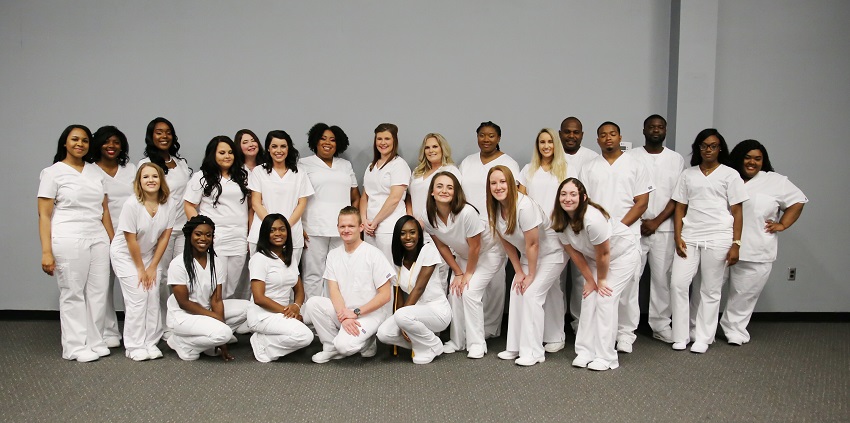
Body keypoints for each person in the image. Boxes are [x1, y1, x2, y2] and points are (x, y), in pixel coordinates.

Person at [38, 124, 114, 362]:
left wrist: (113, 241)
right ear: (65, 142)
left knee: (98, 291)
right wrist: (46, 252)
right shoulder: (52, 173)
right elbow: (44, 215)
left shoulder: (95, 171)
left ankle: (95, 340)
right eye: (75, 139)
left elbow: (104, 210)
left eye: (84, 141)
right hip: (68, 237)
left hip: (97, 236)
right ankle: (74, 346)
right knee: (73, 292)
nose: (80, 144)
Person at [720, 140, 807, 345]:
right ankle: (700, 330)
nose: (752, 162)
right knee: (707, 290)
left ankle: (735, 331)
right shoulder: (725, 176)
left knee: (745, 293)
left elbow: (798, 201)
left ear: (763, 161)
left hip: (756, 247)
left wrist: (782, 224)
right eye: (747, 157)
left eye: (758, 159)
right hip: (721, 244)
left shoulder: (775, 181)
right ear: (739, 158)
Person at [670, 129, 748, 354]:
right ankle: (681, 335)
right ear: (698, 148)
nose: (708, 149)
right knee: (678, 284)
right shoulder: (688, 174)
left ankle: (703, 337)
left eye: (713, 145)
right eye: (704, 145)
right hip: (690, 236)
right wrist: (678, 236)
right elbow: (680, 207)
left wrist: (737, 243)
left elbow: (737, 211)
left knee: (710, 289)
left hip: (718, 237)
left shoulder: (730, 175)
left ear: (720, 148)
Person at [578, 121, 652, 353]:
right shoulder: (589, 167)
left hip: (627, 235)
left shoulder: (636, 164)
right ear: (597, 140)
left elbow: (642, 203)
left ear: (620, 137)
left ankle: (626, 334)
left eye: (612, 134)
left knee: (629, 289)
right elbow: (583, 202)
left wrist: (617, 227)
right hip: (597, 237)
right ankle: (598, 337)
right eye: (603, 135)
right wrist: (601, 228)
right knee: (599, 287)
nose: (608, 138)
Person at [552, 178, 639, 371]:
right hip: (596, 259)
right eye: (563, 194)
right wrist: (590, 281)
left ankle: (607, 357)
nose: (568, 199)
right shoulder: (559, 220)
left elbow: (605, 253)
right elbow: (574, 253)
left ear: (583, 197)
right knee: (589, 297)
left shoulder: (592, 218)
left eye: (573, 194)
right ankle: (585, 351)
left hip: (622, 255)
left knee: (605, 299)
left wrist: (600, 281)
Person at [486, 166, 566, 366]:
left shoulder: (524, 206)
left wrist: (530, 275)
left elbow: (533, 243)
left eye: (503, 182)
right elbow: (506, 241)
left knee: (531, 294)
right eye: (494, 183)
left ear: (512, 184)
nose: (498, 187)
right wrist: (520, 272)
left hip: (550, 255)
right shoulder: (495, 208)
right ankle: (515, 347)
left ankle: (534, 352)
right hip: (528, 257)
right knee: (517, 291)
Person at [423, 172, 505, 359]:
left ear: (456, 192)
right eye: (440, 186)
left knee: (469, 292)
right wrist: (458, 272)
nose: (444, 190)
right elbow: (442, 246)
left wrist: (467, 275)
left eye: (450, 187)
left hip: (488, 253)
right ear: (432, 192)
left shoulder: (466, 212)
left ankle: (477, 343)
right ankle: (457, 341)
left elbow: (476, 247)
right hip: (463, 255)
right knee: (455, 291)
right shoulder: (428, 215)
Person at [302, 206, 394, 363]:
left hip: (369, 314)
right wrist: (344, 316)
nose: (346, 230)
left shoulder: (373, 254)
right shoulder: (333, 255)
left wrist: (356, 313)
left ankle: (367, 341)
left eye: (351, 226)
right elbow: (334, 291)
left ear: (361, 227)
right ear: (337, 228)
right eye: (342, 226)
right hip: (346, 312)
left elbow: (385, 295)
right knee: (313, 303)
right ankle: (331, 347)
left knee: (345, 347)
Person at [624, 115, 685, 343]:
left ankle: (660, 325)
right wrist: (638, 221)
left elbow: (679, 196)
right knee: (629, 278)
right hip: (635, 228)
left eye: (660, 127)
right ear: (644, 130)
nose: (656, 130)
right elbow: (626, 193)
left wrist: (656, 221)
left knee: (662, 280)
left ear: (666, 130)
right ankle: (624, 330)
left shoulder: (676, 159)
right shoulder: (631, 157)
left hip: (664, 228)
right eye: (652, 127)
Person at [458, 121, 521, 338]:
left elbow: (513, 193)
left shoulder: (509, 163)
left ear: (499, 138)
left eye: (491, 135)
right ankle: (473, 324)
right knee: (472, 277)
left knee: (495, 277)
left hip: (496, 225)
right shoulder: (467, 162)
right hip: (470, 227)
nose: (486, 139)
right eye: (482, 135)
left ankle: (492, 326)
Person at [109, 163, 176, 361]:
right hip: (126, 255)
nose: (151, 180)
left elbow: (165, 237)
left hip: (150, 255)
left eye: (154, 176)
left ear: (161, 180)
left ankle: (150, 342)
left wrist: (153, 266)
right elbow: (130, 240)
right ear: (139, 181)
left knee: (153, 294)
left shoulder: (169, 203)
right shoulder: (132, 204)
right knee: (139, 296)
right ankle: (134, 345)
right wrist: (141, 269)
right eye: (145, 177)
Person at [517, 127, 575, 352]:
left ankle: (555, 335)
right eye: (542, 142)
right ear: (537, 145)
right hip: (532, 235)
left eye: (550, 141)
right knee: (541, 286)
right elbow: (521, 200)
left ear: (556, 144)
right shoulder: (527, 170)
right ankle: (537, 333)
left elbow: (573, 200)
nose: (546, 146)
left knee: (552, 286)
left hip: (557, 234)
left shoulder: (566, 169)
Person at [165, 215, 250, 361]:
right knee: (223, 333)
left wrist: (219, 321)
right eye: (198, 234)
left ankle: (211, 340)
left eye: (208, 235)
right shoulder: (178, 264)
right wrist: (216, 319)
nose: (203, 239)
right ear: (189, 235)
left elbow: (216, 299)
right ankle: (181, 341)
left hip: (206, 310)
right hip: (183, 316)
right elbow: (184, 303)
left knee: (248, 307)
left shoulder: (216, 262)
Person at [139, 117, 191, 339]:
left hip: (183, 229)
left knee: (181, 276)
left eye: (168, 132)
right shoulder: (146, 164)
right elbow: (143, 198)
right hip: (162, 230)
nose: (164, 136)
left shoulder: (180, 163)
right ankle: (162, 325)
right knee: (161, 278)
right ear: (151, 136)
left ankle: (180, 322)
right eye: (159, 132)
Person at [376, 216, 451, 364]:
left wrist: (401, 320)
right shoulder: (398, 260)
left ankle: (434, 344)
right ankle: (423, 346)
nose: (408, 237)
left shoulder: (428, 250)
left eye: (412, 232)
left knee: (401, 316)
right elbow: (398, 295)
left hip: (437, 311)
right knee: (383, 334)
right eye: (403, 233)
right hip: (412, 313)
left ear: (419, 234)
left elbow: (419, 288)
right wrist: (400, 321)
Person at [184, 136, 251, 300]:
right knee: (215, 280)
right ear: (212, 154)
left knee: (232, 283)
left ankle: (226, 317)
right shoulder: (201, 177)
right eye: (222, 152)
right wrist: (202, 232)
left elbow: (250, 207)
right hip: (216, 237)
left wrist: (249, 232)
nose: (227, 156)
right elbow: (189, 205)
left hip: (239, 236)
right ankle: (210, 315)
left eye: (230, 152)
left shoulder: (243, 175)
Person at [300, 123, 360, 300]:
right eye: (323, 138)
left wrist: (354, 222)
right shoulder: (304, 164)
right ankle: (312, 319)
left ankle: (337, 315)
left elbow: (355, 195)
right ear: (315, 141)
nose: (328, 143)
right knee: (313, 274)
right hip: (313, 228)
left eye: (332, 140)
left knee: (341, 274)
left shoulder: (345, 165)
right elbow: (297, 196)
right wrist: (299, 226)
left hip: (343, 229)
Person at [91, 125, 136, 348]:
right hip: (101, 234)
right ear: (98, 144)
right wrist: (111, 237)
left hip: (132, 235)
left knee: (132, 285)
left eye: (116, 142)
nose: (111, 146)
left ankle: (134, 331)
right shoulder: (90, 170)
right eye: (107, 142)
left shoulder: (131, 169)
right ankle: (108, 331)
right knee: (103, 285)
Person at [247, 214, 314, 362]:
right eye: (272, 230)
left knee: (314, 315)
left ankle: (267, 336)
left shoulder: (289, 256)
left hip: (283, 312)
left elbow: (299, 289)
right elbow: (259, 298)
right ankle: (263, 345)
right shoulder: (259, 259)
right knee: (305, 336)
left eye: (282, 229)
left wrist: (296, 306)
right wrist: (289, 312)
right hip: (263, 315)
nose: (278, 233)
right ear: (265, 234)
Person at [558, 116, 600, 334]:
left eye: (576, 132)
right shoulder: (552, 155)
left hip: (583, 226)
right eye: (567, 132)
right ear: (560, 133)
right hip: (558, 225)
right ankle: (556, 326)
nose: (571, 136)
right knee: (556, 278)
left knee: (580, 276)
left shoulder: (592, 158)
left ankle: (579, 323)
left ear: (582, 134)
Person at [249, 130, 314, 267]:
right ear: (268, 148)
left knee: (289, 277)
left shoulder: (299, 173)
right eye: (274, 146)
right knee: (260, 278)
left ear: (288, 148)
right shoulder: (258, 172)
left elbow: (302, 204)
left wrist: (284, 227)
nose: (279, 150)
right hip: (262, 231)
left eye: (283, 146)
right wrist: (272, 227)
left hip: (292, 232)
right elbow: (255, 203)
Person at [361, 123, 411, 261]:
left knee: (390, 269)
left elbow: (395, 198)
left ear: (394, 140)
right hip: (369, 228)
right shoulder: (371, 166)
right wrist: (364, 220)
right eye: (379, 139)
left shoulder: (399, 165)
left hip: (389, 226)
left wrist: (376, 221)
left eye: (387, 139)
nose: (383, 143)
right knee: (371, 268)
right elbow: (365, 196)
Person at [405, 133, 461, 226]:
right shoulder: (417, 171)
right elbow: (409, 196)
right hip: (415, 227)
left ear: (442, 148)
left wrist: (424, 223)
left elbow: (453, 200)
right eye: (427, 147)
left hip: (437, 226)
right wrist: (410, 218)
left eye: (435, 146)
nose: (431, 150)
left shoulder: (450, 170)